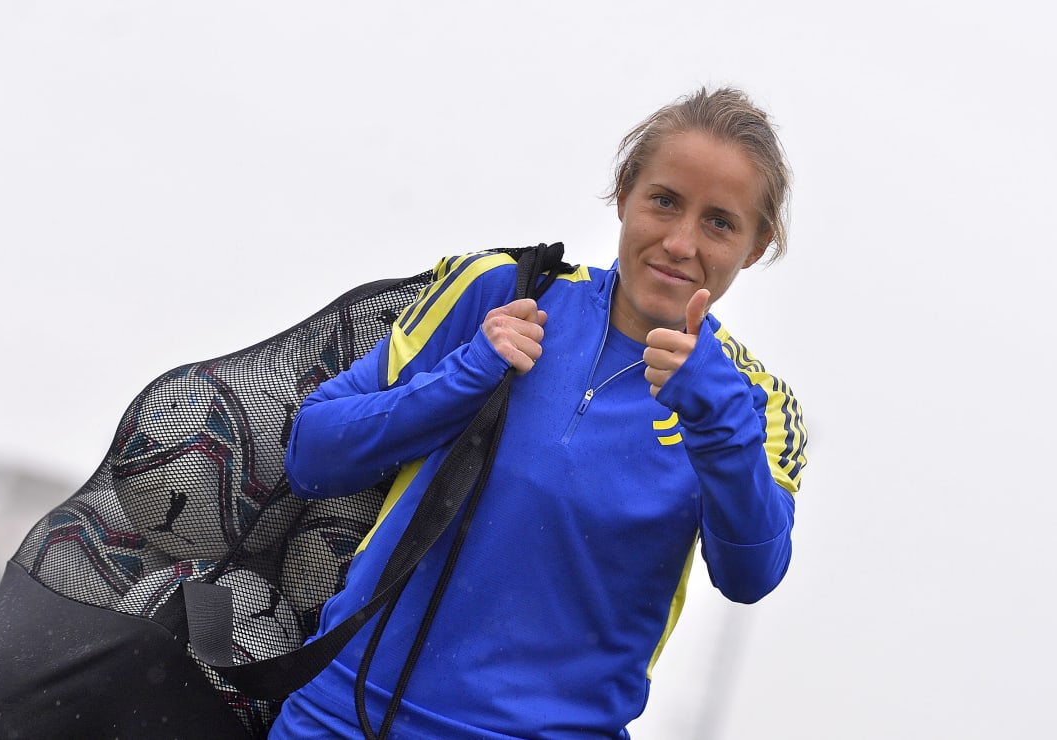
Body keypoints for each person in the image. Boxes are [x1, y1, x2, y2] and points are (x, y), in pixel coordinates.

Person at [267, 87, 808, 739]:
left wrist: (720, 424)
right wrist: (466, 375)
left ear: (755, 245)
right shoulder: (504, 290)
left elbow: (751, 574)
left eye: (719, 222)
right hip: (341, 718)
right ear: (625, 190)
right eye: (664, 201)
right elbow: (313, 455)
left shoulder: (756, 402)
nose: (680, 241)